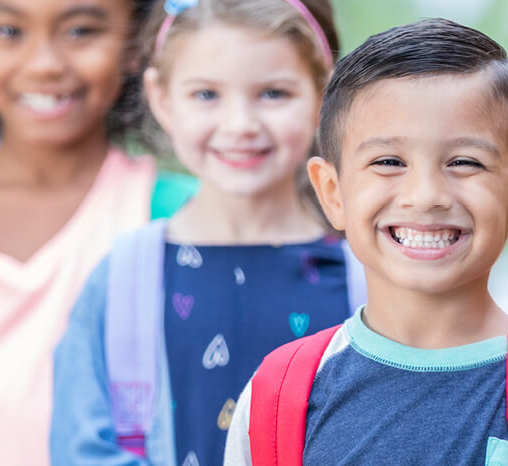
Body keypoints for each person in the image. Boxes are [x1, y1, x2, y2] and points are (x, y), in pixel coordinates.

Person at [225, 19, 508, 464]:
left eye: (465, 162)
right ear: (332, 192)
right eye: (388, 161)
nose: (425, 196)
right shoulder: (278, 396)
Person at [50, 1, 364, 465]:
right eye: (206, 95)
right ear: (161, 97)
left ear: (323, 94)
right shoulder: (122, 281)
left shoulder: (368, 277)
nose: (240, 126)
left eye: (273, 93)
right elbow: (81, 449)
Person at [0, 0, 197, 464]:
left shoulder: (185, 218)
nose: (44, 64)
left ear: (134, 44)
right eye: (8, 31)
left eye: (80, 31)